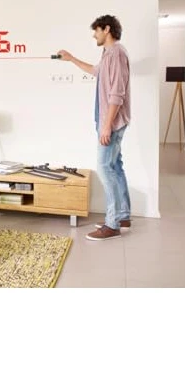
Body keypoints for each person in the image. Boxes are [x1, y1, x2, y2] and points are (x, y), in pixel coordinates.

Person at [58, 14, 131, 240]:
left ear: (106, 29)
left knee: (105, 168)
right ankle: (122, 216)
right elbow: (94, 71)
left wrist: (107, 126)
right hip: (109, 120)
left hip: (112, 121)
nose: (94, 35)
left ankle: (112, 225)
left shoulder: (116, 54)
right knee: (115, 166)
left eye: (96, 31)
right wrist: (71, 58)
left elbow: (117, 94)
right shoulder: (109, 54)